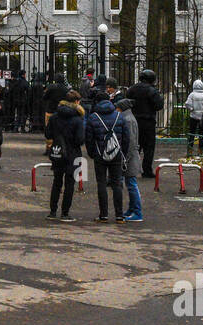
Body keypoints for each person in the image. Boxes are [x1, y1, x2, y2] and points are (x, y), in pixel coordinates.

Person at [85, 82, 130, 222]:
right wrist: (122, 152)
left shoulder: (93, 117)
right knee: (117, 184)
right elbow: (126, 137)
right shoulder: (119, 116)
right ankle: (119, 214)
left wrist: (92, 153)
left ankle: (103, 214)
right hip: (116, 153)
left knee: (101, 183)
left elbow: (89, 139)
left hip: (100, 153)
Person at [45, 90, 85, 221]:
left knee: (56, 182)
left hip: (58, 152)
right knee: (69, 184)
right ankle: (65, 213)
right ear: (76, 102)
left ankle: (52, 212)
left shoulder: (55, 117)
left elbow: (48, 134)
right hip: (73, 154)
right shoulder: (78, 119)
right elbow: (80, 140)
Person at [128, 70, 164, 178]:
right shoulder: (152, 91)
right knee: (149, 147)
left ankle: (131, 169)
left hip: (134, 121)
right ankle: (147, 170)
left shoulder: (132, 89)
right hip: (148, 122)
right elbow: (159, 106)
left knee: (135, 146)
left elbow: (127, 102)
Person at [115, 97, 144, 221]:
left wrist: (125, 158)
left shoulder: (127, 120)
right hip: (131, 156)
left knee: (132, 184)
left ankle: (137, 212)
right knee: (130, 183)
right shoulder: (129, 118)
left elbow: (130, 142)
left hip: (130, 158)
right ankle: (132, 209)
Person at [185, 79, 203, 156]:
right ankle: (200, 151)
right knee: (201, 135)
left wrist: (192, 109)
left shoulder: (192, 95)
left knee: (192, 134)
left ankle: (190, 151)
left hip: (193, 117)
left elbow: (187, 104)